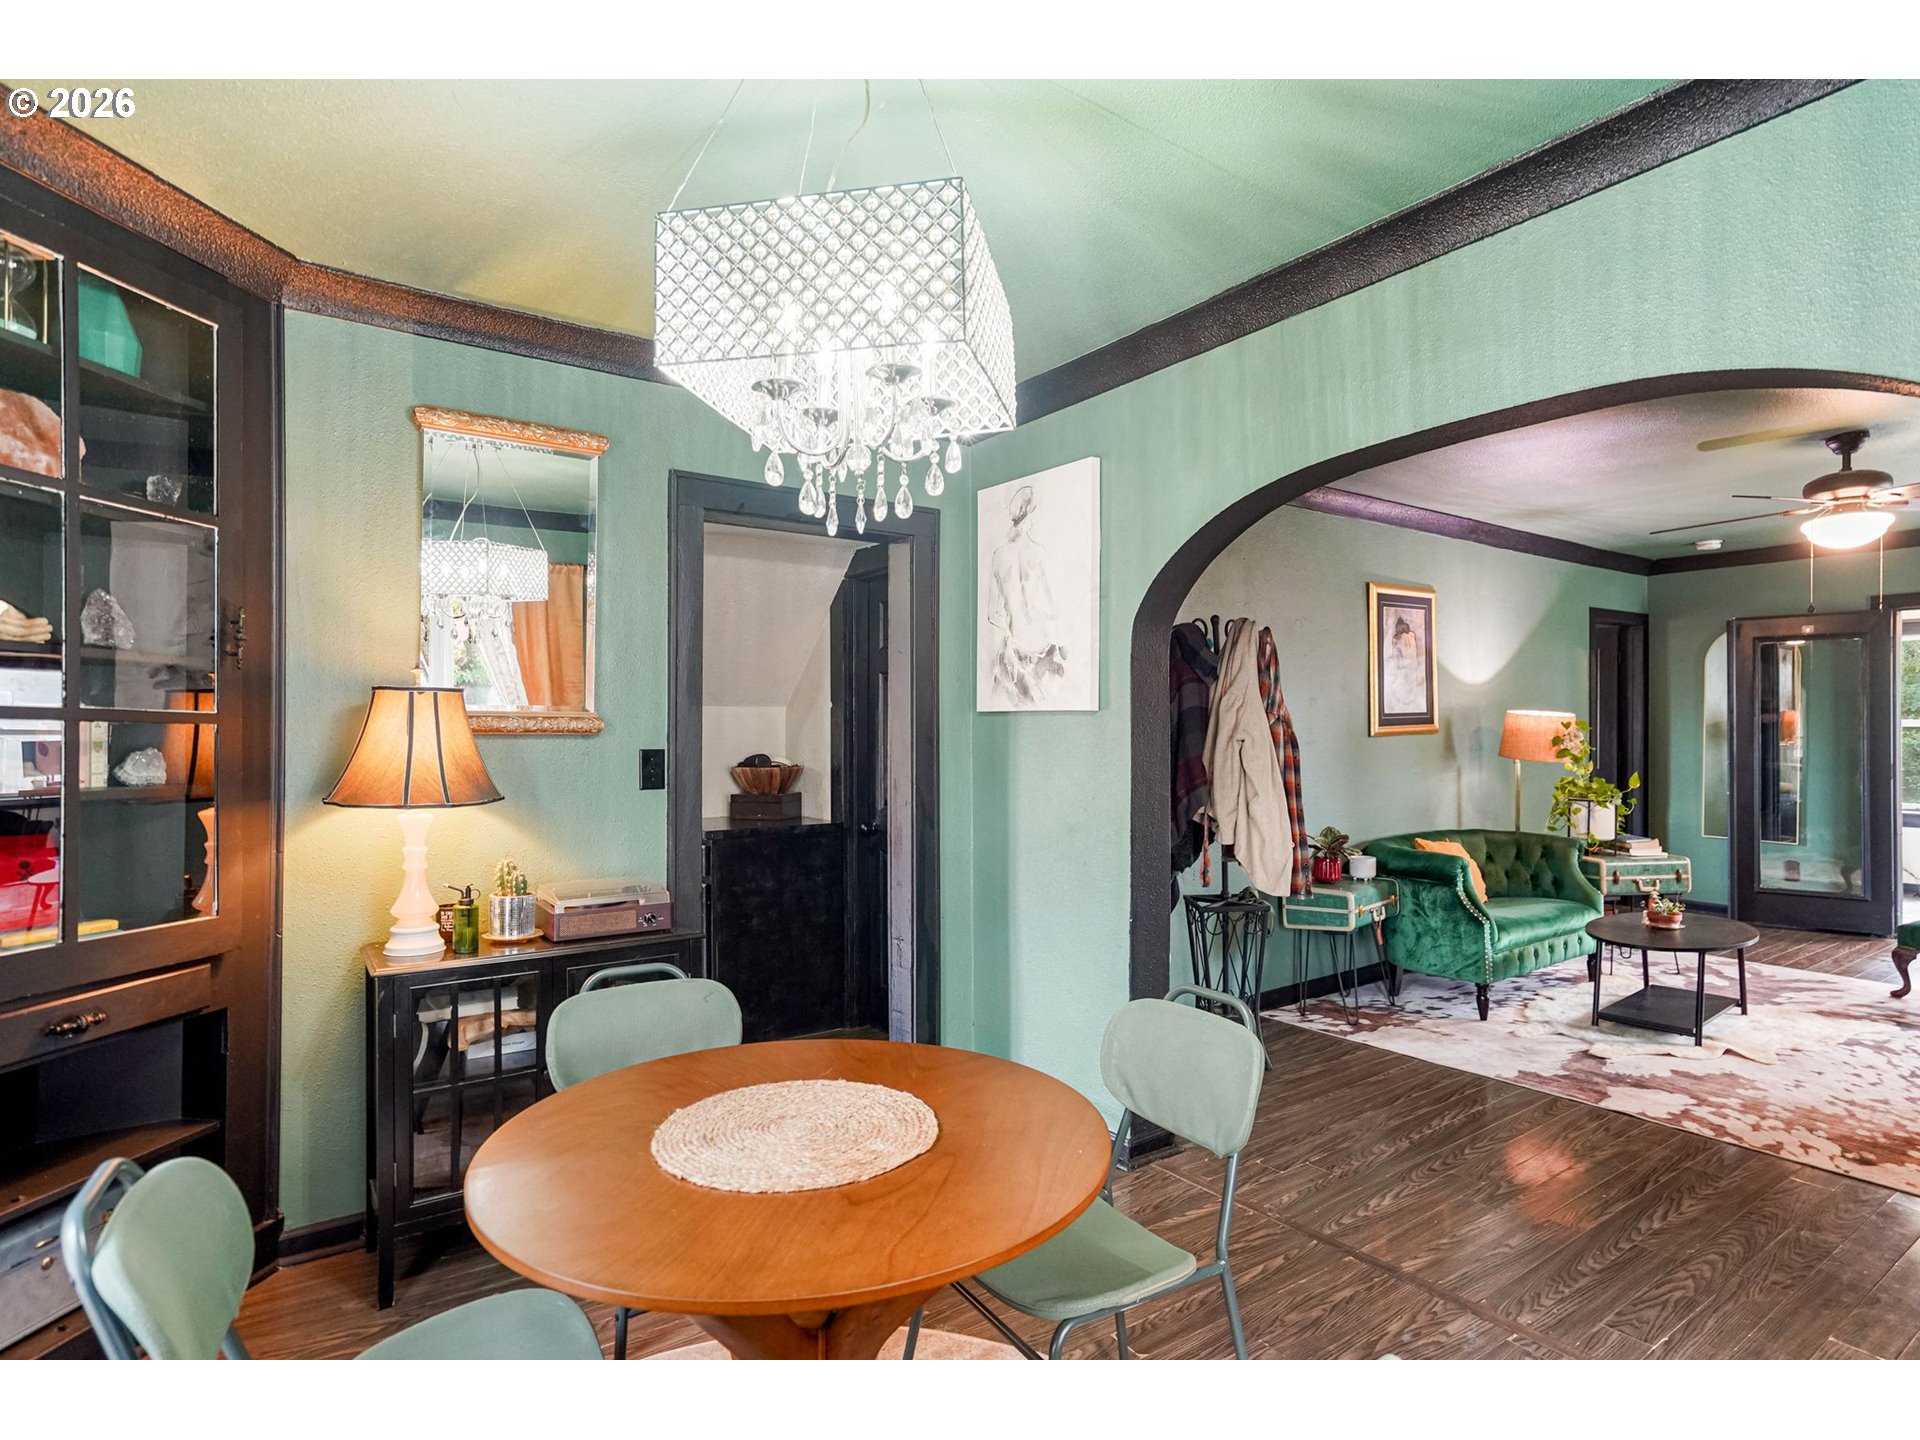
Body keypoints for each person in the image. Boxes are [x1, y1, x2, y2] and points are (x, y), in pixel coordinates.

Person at [985, 484, 1067, 706]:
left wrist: (1011, 631)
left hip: (1015, 646)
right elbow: (1052, 607)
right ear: (1031, 513)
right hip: (1038, 645)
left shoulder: (999, 556)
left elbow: (993, 613)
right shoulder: (1038, 553)